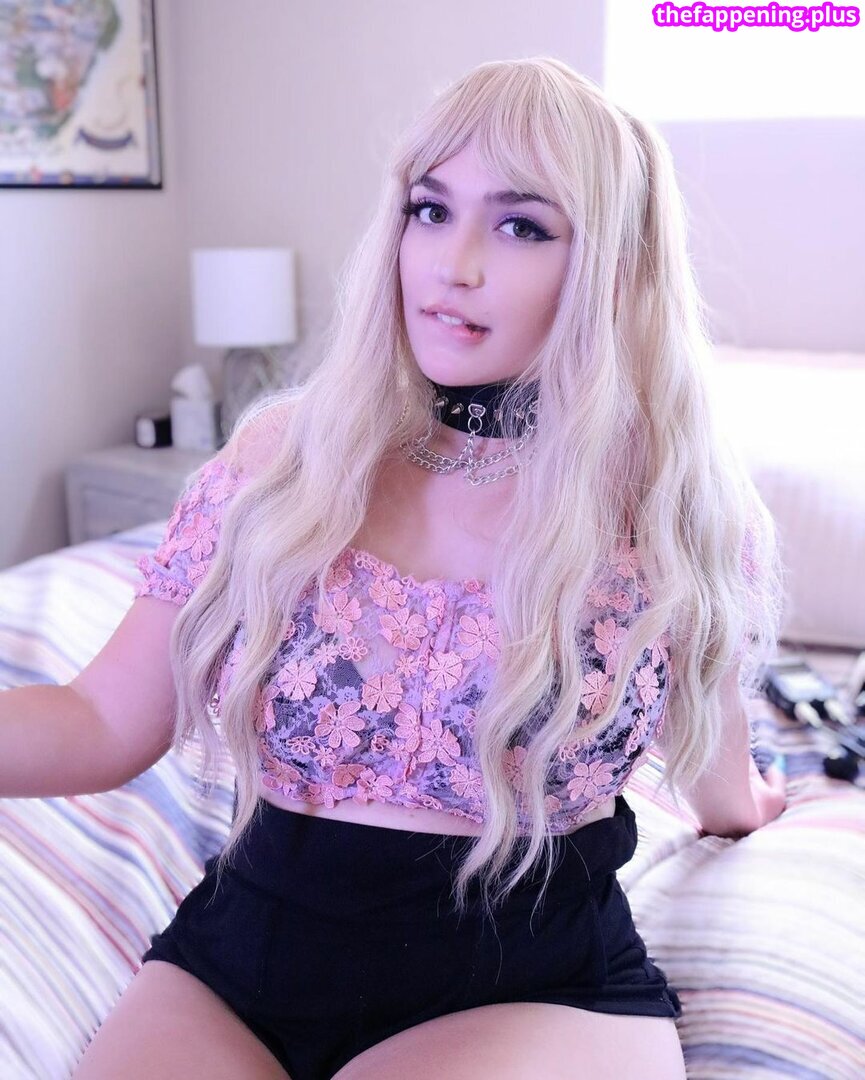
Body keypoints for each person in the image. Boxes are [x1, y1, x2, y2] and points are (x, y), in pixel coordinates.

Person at [2, 57, 786, 1079]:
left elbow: (711, 746)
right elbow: (102, 721)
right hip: (244, 959)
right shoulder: (285, 458)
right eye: (430, 209)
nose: (452, 264)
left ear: (613, 264)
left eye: (521, 226)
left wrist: (749, 806)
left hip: (528, 981)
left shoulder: (671, 508)